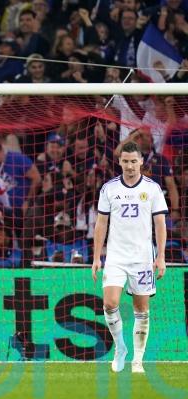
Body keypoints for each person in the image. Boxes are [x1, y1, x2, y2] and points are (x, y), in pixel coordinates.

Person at [92, 142, 168, 374]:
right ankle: (120, 348)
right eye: (125, 161)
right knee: (110, 303)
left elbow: (160, 224)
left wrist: (161, 256)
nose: (130, 166)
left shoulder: (153, 189)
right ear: (119, 162)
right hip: (116, 256)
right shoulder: (109, 189)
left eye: (134, 161)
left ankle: (138, 361)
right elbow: (101, 223)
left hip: (142, 257)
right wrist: (96, 257)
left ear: (141, 162)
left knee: (141, 309)